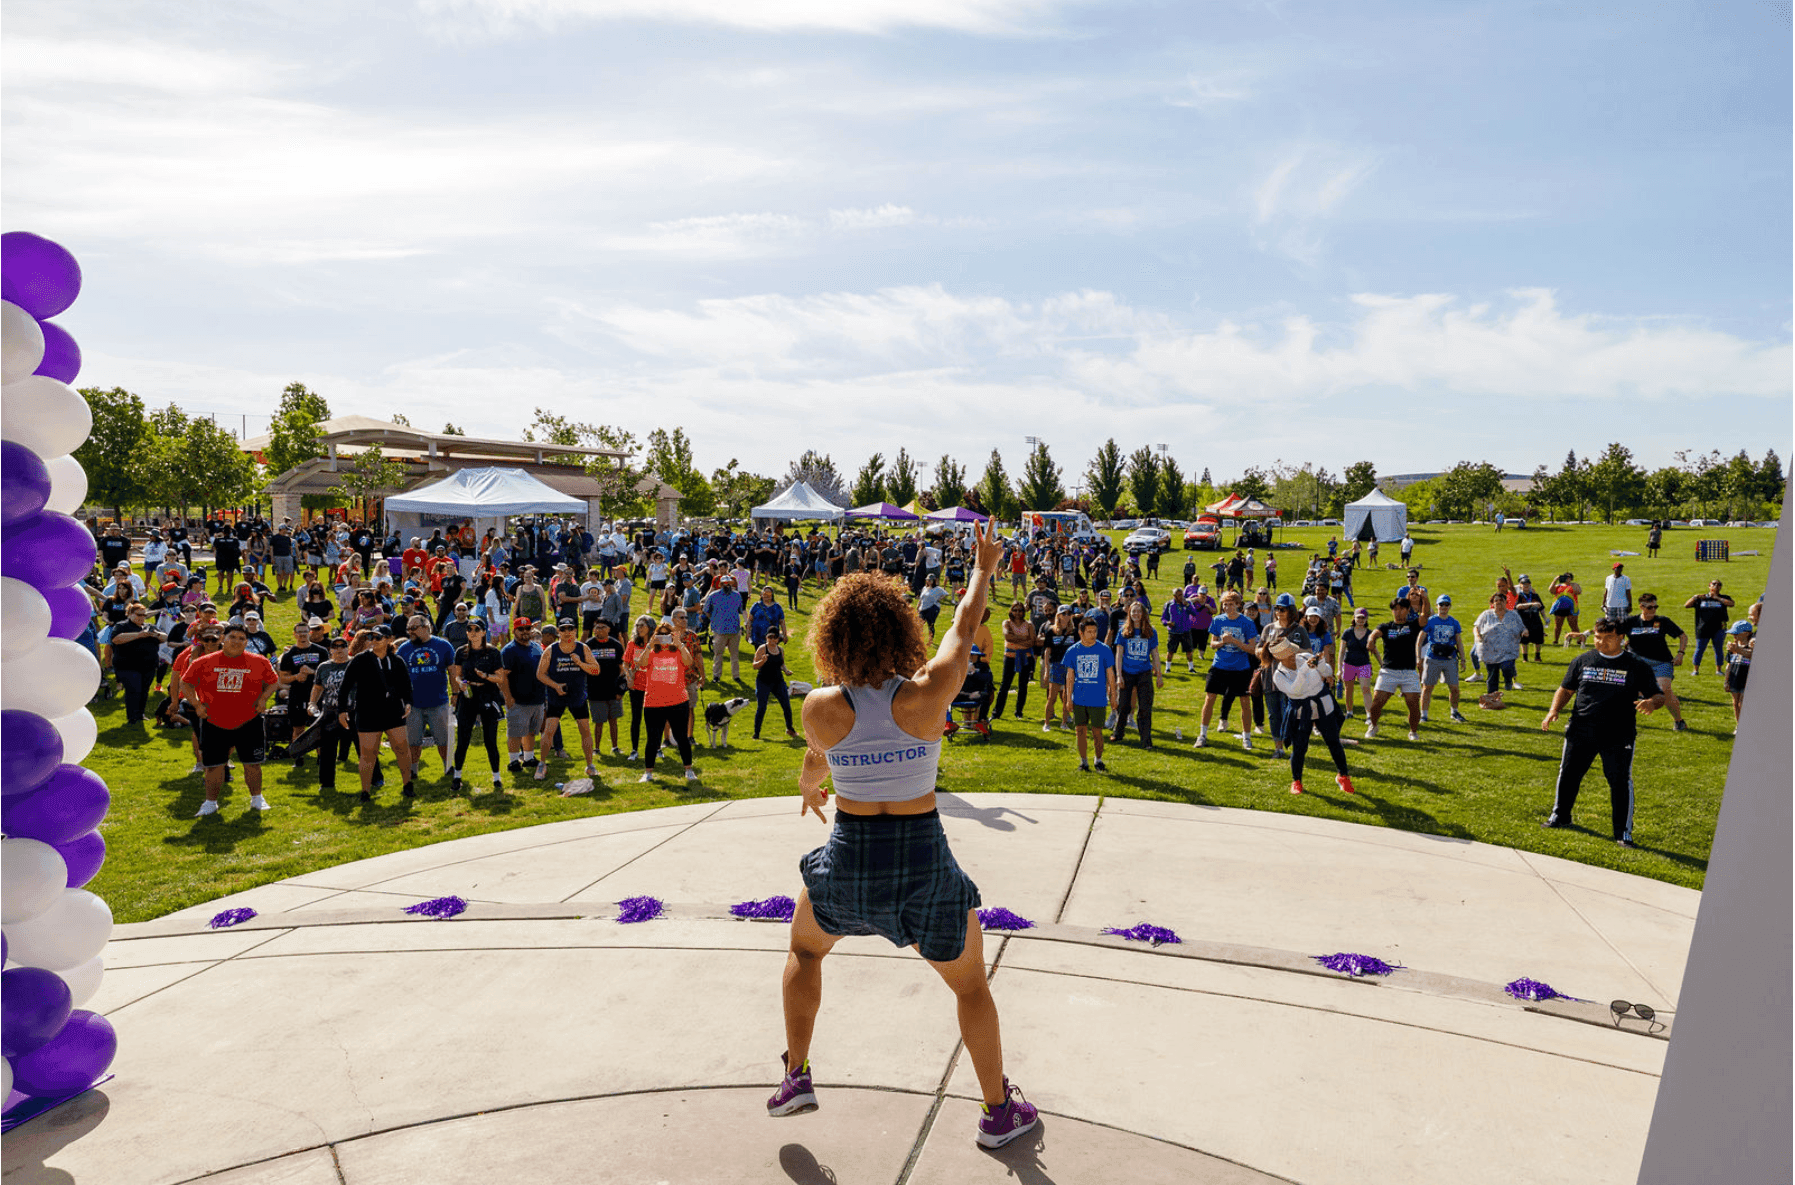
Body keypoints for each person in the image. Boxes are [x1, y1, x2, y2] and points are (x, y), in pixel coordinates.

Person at [771, 520, 1038, 1149]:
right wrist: (981, 568)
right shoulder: (931, 693)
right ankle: (998, 1114)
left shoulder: (820, 708)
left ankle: (797, 1076)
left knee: (806, 951)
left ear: (831, 637)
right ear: (902, 629)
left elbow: (816, 760)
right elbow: (965, 627)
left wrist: (813, 786)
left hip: (850, 863)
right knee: (970, 985)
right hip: (924, 863)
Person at [1540, 618, 1665, 848]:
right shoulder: (1583, 660)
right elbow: (1566, 689)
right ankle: (1560, 816)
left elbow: (1659, 696)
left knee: (1619, 782)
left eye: (1608, 637)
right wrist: (1553, 710)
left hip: (1618, 734)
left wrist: (1651, 702)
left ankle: (1622, 832)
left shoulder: (1636, 665)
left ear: (1621, 638)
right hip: (1580, 730)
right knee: (1568, 774)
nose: (1601, 642)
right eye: (1598, 637)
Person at [181, 622, 280, 815]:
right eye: (232, 637)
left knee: (252, 763)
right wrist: (197, 705)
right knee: (213, 765)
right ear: (222, 639)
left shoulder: (259, 661)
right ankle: (210, 803)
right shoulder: (204, 662)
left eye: (241, 638)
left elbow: (273, 681)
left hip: (249, 720)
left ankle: (257, 799)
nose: (236, 641)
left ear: (246, 642)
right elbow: (186, 683)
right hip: (214, 720)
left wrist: (263, 699)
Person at [1269, 638, 1354, 795]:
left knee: (1333, 741)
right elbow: (1295, 690)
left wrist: (1321, 664)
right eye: (1288, 653)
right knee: (1300, 748)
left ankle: (1343, 776)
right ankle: (1296, 780)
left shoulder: (1303, 657)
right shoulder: (1278, 675)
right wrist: (1305, 670)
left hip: (1323, 704)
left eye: (1292, 650)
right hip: (1301, 711)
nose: (1293, 654)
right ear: (1279, 657)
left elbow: (1327, 672)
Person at [342, 625, 416, 802]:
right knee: (368, 753)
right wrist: (341, 709)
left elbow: (406, 685)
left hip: (393, 711)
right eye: (371, 637)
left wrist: (408, 703)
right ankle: (365, 792)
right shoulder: (360, 660)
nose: (373, 641)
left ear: (389, 639)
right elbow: (345, 686)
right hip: (368, 711)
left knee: (402, 749)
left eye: (378, 638)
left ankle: (407, 785)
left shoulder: (397, 661)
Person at [634, 617, 698, 782]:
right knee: (652, 739)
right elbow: (640, 663)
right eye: (660, 635)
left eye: (667, 634)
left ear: (673, 635)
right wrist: (649, 644)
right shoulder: (651, 652)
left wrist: (679, 644)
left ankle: (689, 770)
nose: (664, 637)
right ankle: (648, 773)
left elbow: (689, 662)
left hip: (678, 701)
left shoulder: (677, 651)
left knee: (681, 737)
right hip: (653, 703)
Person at [537, 619, 604, 779]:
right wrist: (555, 685)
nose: (567, 632)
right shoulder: (551, 650)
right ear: (558, 632)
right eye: (563, 629)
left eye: (570, 628)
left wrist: (579, 662)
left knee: (585, 730)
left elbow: (596, 670)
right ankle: (542, 764)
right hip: (556, 695)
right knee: (549, 731)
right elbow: (540, 674)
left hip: (577, 697)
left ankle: (590, 765)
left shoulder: (583, 648)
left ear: (575, 631)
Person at [1194, 590, 1259, 750]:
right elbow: (1212, 644)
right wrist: (1222, 643)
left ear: (1238, 605)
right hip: (1219, 666)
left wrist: (1235, 641)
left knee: (1245, 702)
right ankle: (1202, 735)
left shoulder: (1247, 623)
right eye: (1225, 604)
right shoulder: (1217, 620)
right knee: (1209, 699)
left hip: (1241, 668)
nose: (1227, 607)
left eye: (1230, 604)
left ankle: (1247, 738)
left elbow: (1252, 649)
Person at [398, 615, 458, 786]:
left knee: (443, 739)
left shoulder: (443, 646)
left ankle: (448, 767)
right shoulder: (403, 649)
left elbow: (452, 671)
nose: (410, 632)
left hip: (438, 701)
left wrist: (455, 693)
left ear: (426, 627)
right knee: (413, 741)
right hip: (412, 704)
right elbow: (399, 676)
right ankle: (413, 770)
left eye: (413, 628)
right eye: (408, 629)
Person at [450, 617, 507, 793]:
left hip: (488, 694)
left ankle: (496, 778)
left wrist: (485, 676)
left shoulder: (492, 652)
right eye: (469, 629)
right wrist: (461, 683)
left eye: (476, 629)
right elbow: (457, 675)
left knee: (490, 739)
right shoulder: (461, 651)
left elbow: (501, 678)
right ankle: (457, 776)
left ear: (484, 632)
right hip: (468, 696)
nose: (472, 633)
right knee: (463, 739)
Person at [1620, 594, 1688, 731]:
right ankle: (1622, 721)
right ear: (1641, 607)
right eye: (1650, 607)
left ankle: (1679, 721)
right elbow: (1615, 635)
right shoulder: (1630, 621)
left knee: (1664, 692)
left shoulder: (1663, 621)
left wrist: (1680, 654)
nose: (1653, 610)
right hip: (1638, 664)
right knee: (1625, 691)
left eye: (1655, 607)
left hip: (1661, 662)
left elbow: (1682, 635)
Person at [1366, 598, 1423, 741]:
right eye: (1395, 609)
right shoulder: (1386, 627)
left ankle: (1413, 732)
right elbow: (1374, 634)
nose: (1398, 612)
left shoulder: (1413, 626)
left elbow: (1425, 615)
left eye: (1401, 609)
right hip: (1389, 670)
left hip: (1409, 671)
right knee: (1377, 702)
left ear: (1407, 610)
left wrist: (1425, 598)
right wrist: (1371, 641)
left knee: (1413, 704)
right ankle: (1373, 725)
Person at [307, 634, 357, 792]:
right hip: (330, 712)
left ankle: (376, 779)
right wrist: (312, 703)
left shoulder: (356, 663)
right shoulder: (324, 667)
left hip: (354, 712)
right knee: (327, 750)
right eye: (335, 646)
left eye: (343, 646)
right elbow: (317, 687)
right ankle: (326, 783)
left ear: (348, 648)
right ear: (330, 650)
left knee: (364, 747)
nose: (340, 649)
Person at [275, 622, 330, 761]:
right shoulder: (289, 655)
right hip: (297, 695)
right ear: (294, 635)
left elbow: (328, 674)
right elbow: (283, 679)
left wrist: (312, 672)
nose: (302, 635)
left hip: (317, 695)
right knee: (298, 728)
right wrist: (296, 677)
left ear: (309, 633)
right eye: (299, 632)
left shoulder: (321, 651)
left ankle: (321, 758)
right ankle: (298, 758)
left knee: (318, 727)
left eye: (305, 632)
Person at [1110, 600, 1162, 748]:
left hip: (1144, 673)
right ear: (1129, 614)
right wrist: (1119, 675)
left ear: (1143, 614)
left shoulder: (1151, 632)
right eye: (1133, 611)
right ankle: (1118, 733)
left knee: (1145, 707)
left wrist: (1159, 675)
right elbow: (1119, 654)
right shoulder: (1124, 632)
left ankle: (1146, 740)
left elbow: (1155, 654)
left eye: (1139, 611)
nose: (1136, 614)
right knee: (1123, 705)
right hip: (1127, 672)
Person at [108, 602, 164, 726]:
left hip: (148, 665)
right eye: (139, 614)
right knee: (134, 689)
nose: (142, 617)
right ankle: (132, 717)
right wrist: (139, 635)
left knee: (144, 690)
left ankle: (140, 714)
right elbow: (116, 639)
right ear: (130, 614)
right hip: (128, 666)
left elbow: (164, 638)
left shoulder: (149, 626)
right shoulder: (122, 626)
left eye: (144, 615)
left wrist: (155, 634)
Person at [501, 620, 546, 773]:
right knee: (515, 733)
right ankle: (513, 761)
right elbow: (502, 677)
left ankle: (528, 758)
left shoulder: (536, 647)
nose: (525, 631)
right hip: (517, 699)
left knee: (531, 731)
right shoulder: (509, 650)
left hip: (537, 697)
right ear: (514, 631)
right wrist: (508, 697)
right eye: (521, 629)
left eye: (528, 628)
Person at [1418, 595, 1468, 724]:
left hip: (1449, 658)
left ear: (1449, 606)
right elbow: (1420, 639)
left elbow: (1459, 641)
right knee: (1427, 687)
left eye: (1446, 605)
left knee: (1454, 688)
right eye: (1441, 605)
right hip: (1433, 658)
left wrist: (1463, 659)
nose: (1444, 607)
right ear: (1437, 606)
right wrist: (1418, 657)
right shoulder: (1431, 621)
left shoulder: (1454, 622)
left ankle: (1454, 712)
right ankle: (1424, 714)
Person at [585, 618, 627, 757]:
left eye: (603, 627)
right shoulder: (588, 645)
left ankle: (615, 747)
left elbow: (622, 669)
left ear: (609, 629)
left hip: (613, 690)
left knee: (613, 721)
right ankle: (596, 748)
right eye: (597, 627)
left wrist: (620, 689)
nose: (599, 630)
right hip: (595, 690)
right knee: (598, 722)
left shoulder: (616, 645)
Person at [1473, 593, 1526, 697]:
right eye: (1496, 601)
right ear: (1492, 603)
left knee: (1507, 667)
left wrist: (1525, 631)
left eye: (1501, 600)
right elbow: (1476, 627)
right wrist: (1478, 636)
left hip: (1508, 649)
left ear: (1505, 602)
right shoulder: (1486, 614)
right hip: (1490, 650)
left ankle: (1508, 681)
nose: (1498, 603)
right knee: (1492, 675)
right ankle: (1492, 697)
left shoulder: (1513, 615)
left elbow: (1522, 627)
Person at [753, 626, 799, 740]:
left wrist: (786, 670)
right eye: (770, 638)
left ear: (778, 639)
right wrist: (762, 661)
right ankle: (756, 733)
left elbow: (781, 663)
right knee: (762, 707)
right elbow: (754, 665)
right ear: (766, 638)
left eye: (775, 638)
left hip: (778, 681)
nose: (772, 641)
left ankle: (790, 728)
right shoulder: (762, 649)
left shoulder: (780, 650)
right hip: (763, 681)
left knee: (786, 705)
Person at [1683, 579, 1736, 677]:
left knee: (1718, 649)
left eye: (1719, 584)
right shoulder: (1701, 598)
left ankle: (1718, 670)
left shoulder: (1724, 597)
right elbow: (1686, 605)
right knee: (1699, 649)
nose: (1716, 586)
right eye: (1714, 584)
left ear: (1720, 587)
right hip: (1702, 628)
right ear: (1709, 586)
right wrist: (1695, 597)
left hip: (1720, 627)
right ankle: (1695, 670)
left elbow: (1731, 603)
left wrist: (1717, 598)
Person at [1037, 606, 1077, 731]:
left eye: (1069, 613)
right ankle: (1047, 723)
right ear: (1058, 615)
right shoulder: (1051, 631)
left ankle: (1064, 723)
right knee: (1052, 697)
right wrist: (1047, 671)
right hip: (1056, 664)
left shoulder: (1074, 632)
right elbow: (1047, 651)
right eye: (1063, 613)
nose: (1066, 616)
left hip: (1070, 667)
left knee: (1067, 697)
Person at [703, 574, 746, 683]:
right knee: (718, 655)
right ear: (721, 584)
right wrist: (714, 619)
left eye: (729, 583)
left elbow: (740, 610)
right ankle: (716, 676)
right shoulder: (713, 596)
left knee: (735, 655)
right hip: (719, 630)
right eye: (725, 583)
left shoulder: (737, 595)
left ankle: (736, 676)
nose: (727, 585)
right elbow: (706, 610)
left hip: (734, 630)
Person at [1337, 606, 1375, 718]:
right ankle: (1349, 712)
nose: (1361, 620)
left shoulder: (1370, 633)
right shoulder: (1347, 633)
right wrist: (1339, 669)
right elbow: (1341, 651)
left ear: (1366, 619)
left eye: (1363, 618)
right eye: (1358, 617)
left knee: (1366, 689)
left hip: (1364, 664)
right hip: (1348, 664)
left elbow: (1375, 650)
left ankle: (1369, 715)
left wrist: (1382, 664)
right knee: (1349, 690)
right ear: (1354, 618)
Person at [1724, 617, 1754, 733]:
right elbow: (1729, 665)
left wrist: (1738, 649)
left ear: (1746, 634)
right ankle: (1739, 725)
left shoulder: (1751, 647)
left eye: (1736, 633)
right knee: (1735, 703)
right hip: (1734, 678)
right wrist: (1726, 681)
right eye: (1733, 633)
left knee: (1742, 702)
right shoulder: (1732, 648)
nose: (1734, 636)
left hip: (1746, 679)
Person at [1511, 573, 1546, 663]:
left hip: (1535, 619)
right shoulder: (1519, 595)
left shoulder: (1535, 595)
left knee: (1538, 638)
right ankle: (1525, 658)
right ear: (1520, 586)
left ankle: (1537, 656)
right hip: (1524, 620)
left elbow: (1541, 607)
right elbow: (1517, 606)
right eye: (1524, 585)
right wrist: (1531, 604)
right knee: (1524, 640)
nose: (1526, 586)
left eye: (1527, 585)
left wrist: (1545, 618)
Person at [1550, 572, 1582, 644]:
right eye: (1565, 577)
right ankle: (1556, 640)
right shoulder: (1558, 586)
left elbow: (1579, 591)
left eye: (1568, 577)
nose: (1567, 579)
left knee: (1573, 625)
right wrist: (1555, 580)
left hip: (1572, 608)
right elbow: (1551, 590)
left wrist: (1571, 584)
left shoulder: (1574, 585)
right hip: (1559, 608)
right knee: (1558, 625)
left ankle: (1579, 639)